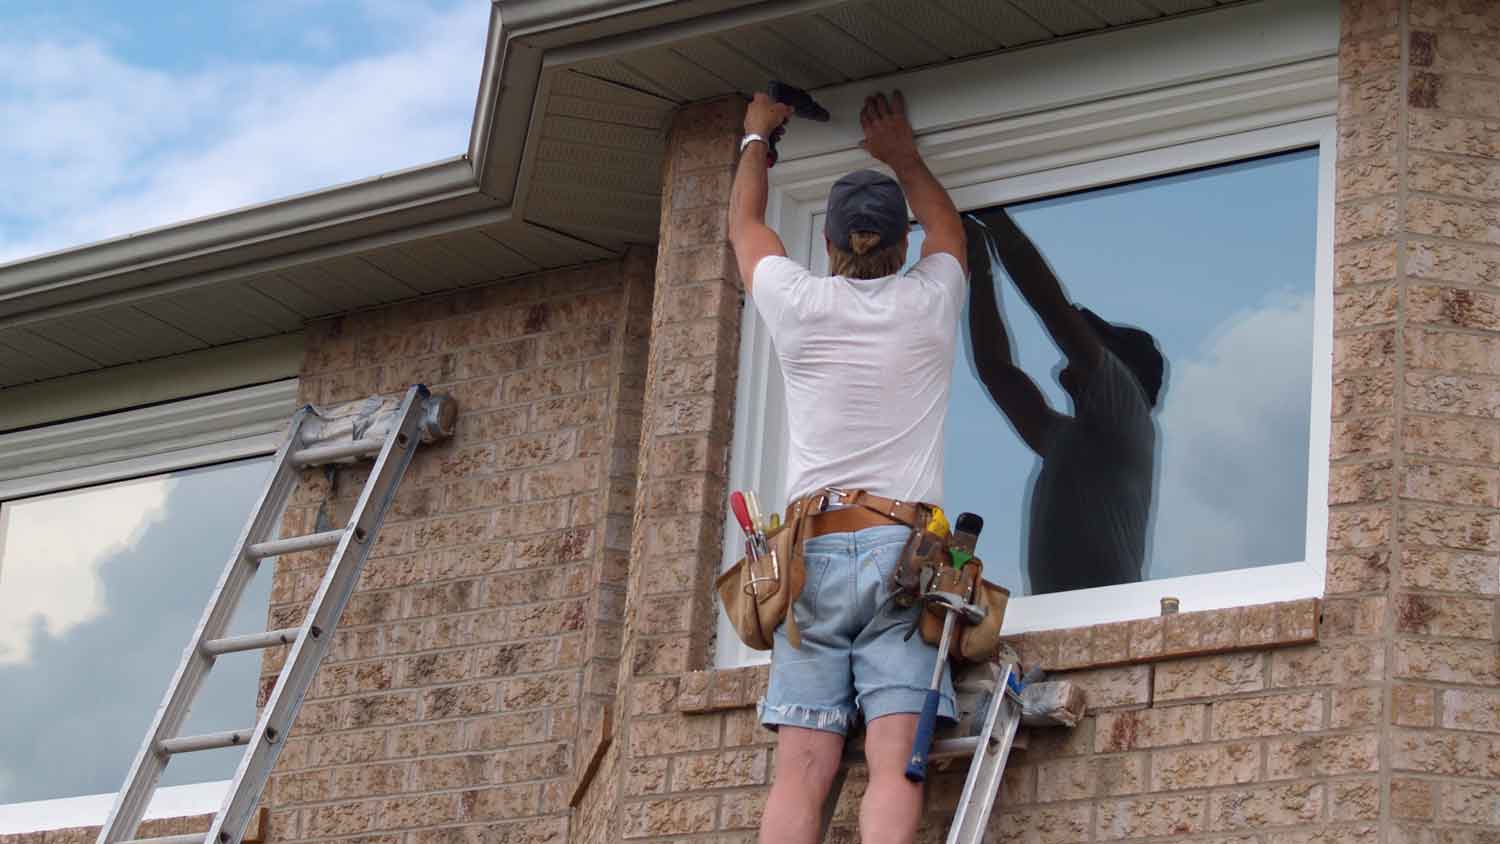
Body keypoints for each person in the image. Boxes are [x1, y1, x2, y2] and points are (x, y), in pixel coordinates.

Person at [728, 89, 967, 844]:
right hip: (908, 550)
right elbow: (951, 229)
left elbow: (745, 226)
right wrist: (901, 155)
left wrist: (756, 137)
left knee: (803, 769)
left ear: (829, 243)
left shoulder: (798, 302)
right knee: (895, 763)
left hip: (811, 554)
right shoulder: (928, 301)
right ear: (901, 243)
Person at [965, 210, 1165, 594]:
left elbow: (1052, 308)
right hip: (1065, 618)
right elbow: (996, 369)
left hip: (1102, 621)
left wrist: (993, 215)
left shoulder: (1129, 409)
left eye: (1092, 344)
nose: (1076, 353)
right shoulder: (1075, 442)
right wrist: (979, 264)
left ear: (1118, 369)